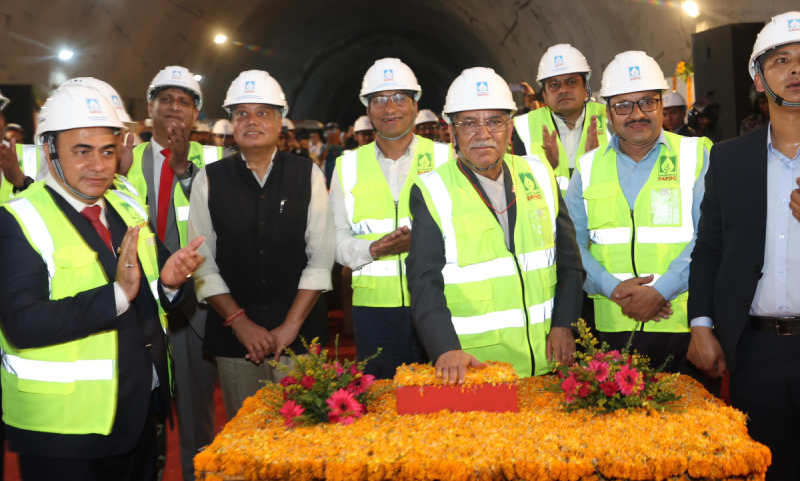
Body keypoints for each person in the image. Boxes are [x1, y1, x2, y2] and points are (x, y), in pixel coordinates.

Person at [0, 85, 204, 481]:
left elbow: (156, 279)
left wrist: (170, 284)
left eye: (109, 151)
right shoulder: (19, 220)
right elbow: (23, 324)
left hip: (136, 414)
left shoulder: (125, 202)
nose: (98, 166)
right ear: (49, 149)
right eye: (83, 150)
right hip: (64, 431)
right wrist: (116, 295)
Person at [687, 11, 800, 481]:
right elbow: (708, 249)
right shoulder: (730, 160)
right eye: (781, 61)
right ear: (759, 79)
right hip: (758, 351)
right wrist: (702, 324)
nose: (795, 69)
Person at [407, 68, 585, 383]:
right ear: (451, 131)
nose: (483, 133)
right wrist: (444, 348)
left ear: (509, 127)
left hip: (549, 362)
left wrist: (564, 325)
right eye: (469, 123)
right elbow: (424, 282)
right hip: (477, 370)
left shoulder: (539, 175)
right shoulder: (432, 190)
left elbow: (570, 262)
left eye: (494, 121)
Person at [188, 70, 334, 418]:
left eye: (263, 112)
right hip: (236, 340)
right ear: (232, 122)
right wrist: (241, 323)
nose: (251, 121)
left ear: (280, 121)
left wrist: (291, 325)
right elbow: (202, 264)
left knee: (305, 438)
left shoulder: (307, 174)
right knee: (247, 438)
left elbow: (320, 258)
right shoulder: (209, 180)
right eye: (241, 113)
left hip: (300, 336)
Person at [565, 51, 711, 384]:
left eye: (647, 101)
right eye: (624, 105)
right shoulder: (585, 170)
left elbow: (708, 237)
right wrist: (614, 289)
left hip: (683, 325)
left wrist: (661, 292)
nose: (637, 114)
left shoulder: (695, 156)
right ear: (608, 113)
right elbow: (572, 248)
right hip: (611, 331)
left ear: (662, 104)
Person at [121, 65, 222, 481]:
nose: (174, 108)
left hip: (196, 299)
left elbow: (219, 223)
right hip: (143, 301)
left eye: (184, 101)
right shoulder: (125, 158)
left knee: (197, 405)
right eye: (165, 100)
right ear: (150, 109)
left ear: (197, 112)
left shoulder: (215, 161)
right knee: (145, 408)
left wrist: (183, 171)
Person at [330, 58, 450, 378]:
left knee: (441, 404)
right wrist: (373, 250)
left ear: (415, 104)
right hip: (374, 313)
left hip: (438, 303)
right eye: (379, 100)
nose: (389, 108)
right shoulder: (347, 166)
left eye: (399, 97)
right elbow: (337, 240)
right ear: (367, 111)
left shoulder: (445, 158)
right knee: (382, 403)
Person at [512, 44, 608, 192]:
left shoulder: (610, 118)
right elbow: (522, 189)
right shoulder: (525, 127)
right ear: (544, 95)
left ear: (585, 89)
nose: (563, 89)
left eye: (571, 82)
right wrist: (546, 167)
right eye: (554, 85)